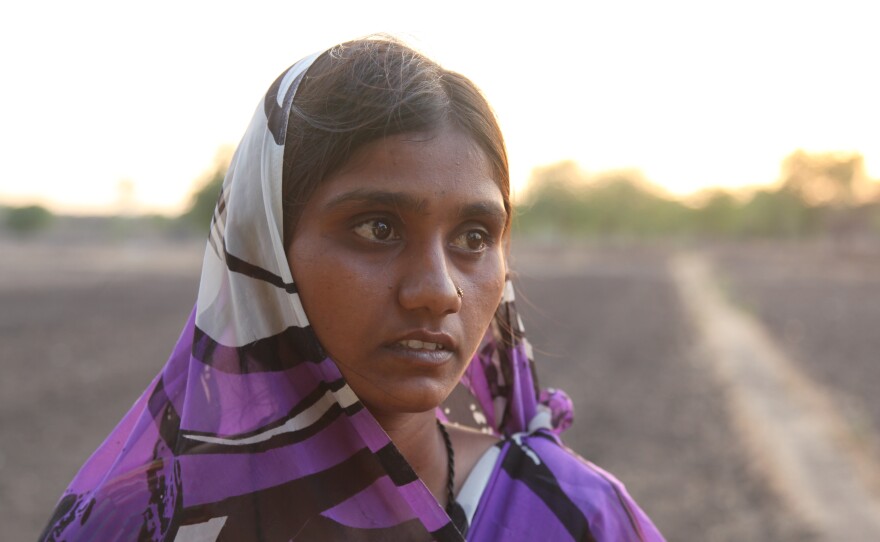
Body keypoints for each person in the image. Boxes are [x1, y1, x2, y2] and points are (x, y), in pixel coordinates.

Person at [40, 37, 664, 541]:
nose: (437, 291)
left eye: (474, 237)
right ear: (266, 252)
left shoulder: (574, 516)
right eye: (378, 227)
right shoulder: (143, 525)